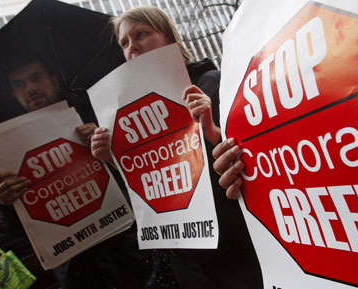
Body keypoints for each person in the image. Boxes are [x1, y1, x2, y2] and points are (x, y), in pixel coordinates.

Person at [90, 6, 263, 289]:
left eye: (141, 34)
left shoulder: (212, 83)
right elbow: (151, 193)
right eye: (124, 42)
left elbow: (256, 161)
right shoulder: (130, 116)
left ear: (169, 38)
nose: (132, 47)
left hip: (238, 252)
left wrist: (211, 131)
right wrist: (114, 160)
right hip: (187, 263)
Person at [0, 53, 153, 289]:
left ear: (54, 80)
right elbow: (23, 230)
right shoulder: (10, 150)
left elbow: (143, 178)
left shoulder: (97, 112)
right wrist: (5, 202)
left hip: (132, 254)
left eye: (36, 78)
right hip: (79, 273)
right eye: (20, 85)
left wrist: (111, 152)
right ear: (13, 95)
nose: (30, 88)